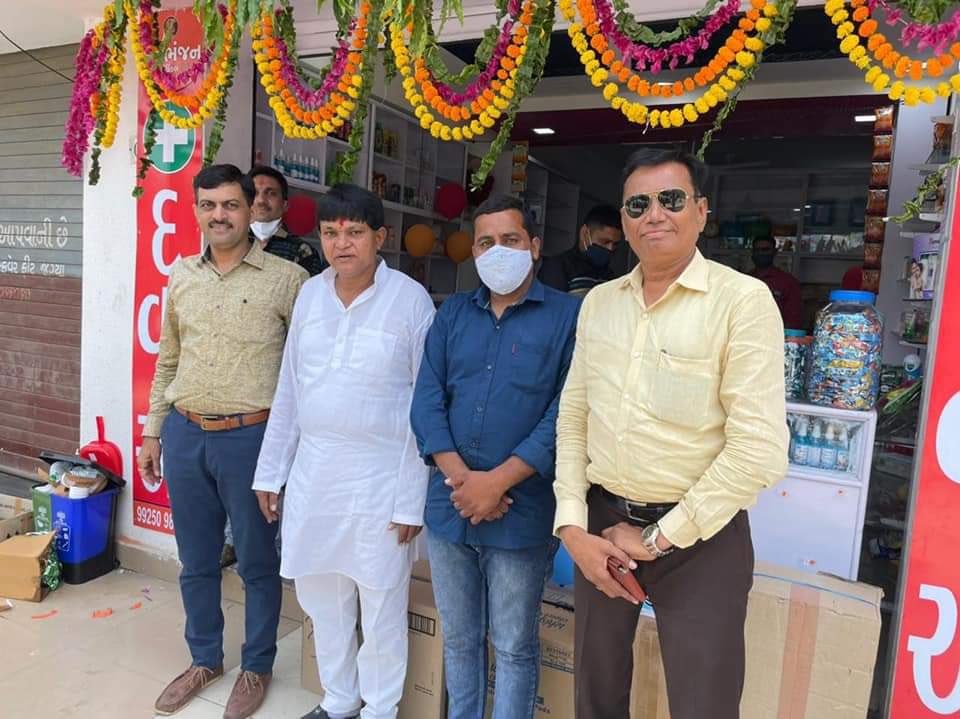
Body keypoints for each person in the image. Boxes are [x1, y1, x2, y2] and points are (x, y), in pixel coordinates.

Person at [554, 149, 789, 719]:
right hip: (605, 527)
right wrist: (571, 526)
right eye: (639, 204)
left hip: (702, 539)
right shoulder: (599, 306)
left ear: (701, 211)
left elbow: (758, 450)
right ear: (625, 222)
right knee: (597, 694)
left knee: (702, 702)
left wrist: (660, 538)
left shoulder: (743, 302)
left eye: (671, 199)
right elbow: (574, 416)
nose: (654, 214)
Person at [252, 183, 435, 719]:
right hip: (316, 476)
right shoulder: (310, 295)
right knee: (320, 597)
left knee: (380, 605)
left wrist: (410, 501)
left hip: (382, 481)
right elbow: (289, 389)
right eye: (330, 233)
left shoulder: (410, 301)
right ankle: (339, 700)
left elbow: (425, 408)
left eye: (355, 232)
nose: (342, 244)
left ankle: (380, 708)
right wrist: (271, 472)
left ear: (381, 237)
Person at [137, 164, 308, 719]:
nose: (219, 215)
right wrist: (153, 431)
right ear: (196, 210)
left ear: (252, 206)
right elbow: (167, 361)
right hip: (186, 434)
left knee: (257, 562)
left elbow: (303, 372)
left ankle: (256, 666)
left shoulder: (287, 279)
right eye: (208, 205)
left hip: (251, 440)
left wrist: (291, 452)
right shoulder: (181, 275)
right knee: (197, 561)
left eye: (230, 205)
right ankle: (204, 658)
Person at [410, 195, 581, 719]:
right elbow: (426, 399)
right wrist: (464, 481)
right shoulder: (454, 312)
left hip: (520, 512)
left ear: (533, 246)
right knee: (460, 639)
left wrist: (498, 482)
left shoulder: (568, 316)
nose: (497, 252)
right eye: (486, 242)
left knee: (512, 644)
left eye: (510, 240)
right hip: (450, 507)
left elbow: (567, 412)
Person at [249, 165, 325, 276]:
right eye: (254, 193)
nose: (261, 201)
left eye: (271, 193)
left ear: (285, 205)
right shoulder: (231, 243)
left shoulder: (302, 250)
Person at [538, 204, 624, 296]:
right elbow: (553, 308)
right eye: (605, 241)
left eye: (615, 244)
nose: (610, 248)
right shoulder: (557, 268)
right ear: (584, 233)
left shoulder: (611, 277)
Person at [749, 235, 803, 330]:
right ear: (752, 253)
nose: (761, 253)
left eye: (765, 249)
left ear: (774, 252)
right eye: (757, 250)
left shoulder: (788, 282)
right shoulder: (745, 279)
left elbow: (794, 319)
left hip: (775, 335)